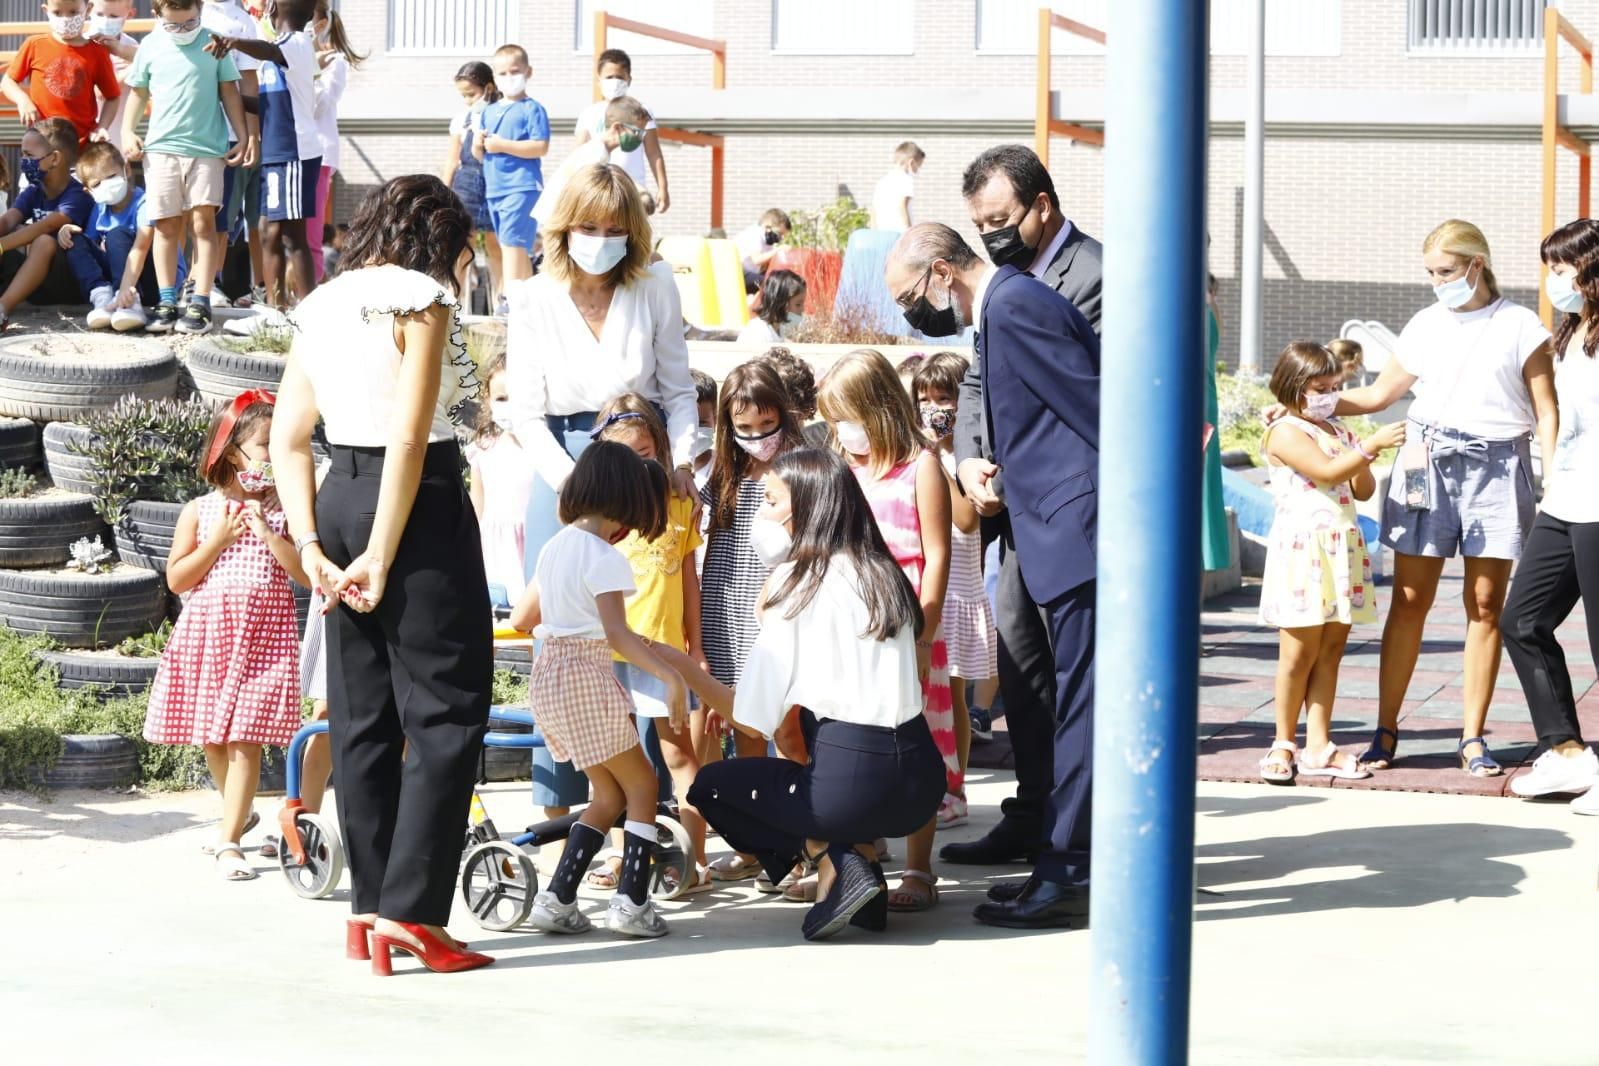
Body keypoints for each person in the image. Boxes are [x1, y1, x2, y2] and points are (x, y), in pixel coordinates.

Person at [270, 174, 494, 976]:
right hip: (417, 503)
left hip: (336, 497)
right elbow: (409, 436)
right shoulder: (422, 297)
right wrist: (385, 550)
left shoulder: (324, 300)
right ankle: (414, 915)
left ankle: (369, 909)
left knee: (360, 712)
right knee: (445, 710)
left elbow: (289, 437)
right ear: (441, 238)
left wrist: (310, 542)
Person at [887, 222, 1097, 930]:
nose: (911, 313)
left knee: (1083, 708)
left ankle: (1070, 872)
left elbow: (1095, 411)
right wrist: (983, 462)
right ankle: (1056, 859)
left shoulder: (1014, 305)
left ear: (942, 272)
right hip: (1048, 527)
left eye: (909, 297)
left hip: (1075, 529)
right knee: (1059, 701)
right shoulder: (1002, 310)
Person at [666, 449, 945, 939]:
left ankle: (835, 859)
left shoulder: (796, 583)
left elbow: (752, 722)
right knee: (814, 765)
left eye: (771, 501)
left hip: (851, 784)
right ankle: (858, 873)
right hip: (920, 782)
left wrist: (688, 670)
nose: (762, 513)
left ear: (806, 507)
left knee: (712, 786)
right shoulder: (884, 572)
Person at [504, 162, 698, 818]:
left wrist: (680, 462)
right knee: (562, 638)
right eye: (588, 226)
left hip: (641, 455)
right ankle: (559, 804)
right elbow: (522, 412)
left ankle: (643, 809)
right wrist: (576, 488)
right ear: (564, 228)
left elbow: (677, 387)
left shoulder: (655, 284)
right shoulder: (532, 296)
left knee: (638, 626)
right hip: (561, 459)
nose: (600, 238)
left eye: (614, 228)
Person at [1333, 219, 1557, 777]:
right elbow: (1381, 394)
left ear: (1476, 266)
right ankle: (1385, 731)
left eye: (1446, 272)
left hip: (1499, 465)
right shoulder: (1426, 323)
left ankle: (1473, 737)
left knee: (1485, 606)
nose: (1437, 283)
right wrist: (1308, 405)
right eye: (1431, 273)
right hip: (1427, 462)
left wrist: (1554, 481)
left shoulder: (1520, 324)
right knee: (1410, 600)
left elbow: (1546, 410)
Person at [942, 143, 1104, 873]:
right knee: (1021, 664)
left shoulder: (1096, 275)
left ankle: (1071, 841)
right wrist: (968, 454)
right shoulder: (1002, 282)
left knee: (1080, 682)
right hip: (1015, 510)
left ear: (1042, 205)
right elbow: (978, 382)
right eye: (980, 225)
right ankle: (1035, 811)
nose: (992, 237)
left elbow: (1091, 396)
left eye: (1002, 220)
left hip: (1072, 509)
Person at [509, 440, 687, 939]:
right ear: (628, 497)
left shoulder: (556, 544)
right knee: (643, 784)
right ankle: (631, 901)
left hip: (552, 675)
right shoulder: (604, 555)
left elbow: (527, 618)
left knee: (607, 792)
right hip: (587, 675)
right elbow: (619, 635)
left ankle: (558, 898)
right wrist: (671, 675)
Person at [142, 389, 308, 882]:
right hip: (210, 634)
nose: (274, 457)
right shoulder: (200, 510)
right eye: (265, 447)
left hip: (265, 637)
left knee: (244, 741)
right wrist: (217, 541)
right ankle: (239, 812)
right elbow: (177, 580)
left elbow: (302, 574)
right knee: (212, 740)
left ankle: (229, 840)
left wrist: (270, 534)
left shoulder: (286, 508)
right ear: (232, 450)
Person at [817, 349, 953, 911]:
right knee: (858, 744)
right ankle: (862, 857)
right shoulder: (841, 466)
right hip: (851, 630)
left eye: (845, 416)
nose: (839, 430)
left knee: (918, 745)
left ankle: (920, 867)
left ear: (876, 408)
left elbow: (937, 553)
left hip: (910, 629)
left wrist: (924, 635)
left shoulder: (921, 464)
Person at [1256, 343, 1403, 784]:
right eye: (1321, 388)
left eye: (1335, 388)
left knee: (1331, 650)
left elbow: (1359, 488)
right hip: (1304, 551)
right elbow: (1325, 473)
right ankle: (1283, 741)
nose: (1329, 396)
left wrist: (1360, 450)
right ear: (1295, 386)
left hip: (1341, 548)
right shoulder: (1284, 431)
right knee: (1298, 652)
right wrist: (1369, 446)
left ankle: (1318, 744)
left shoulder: (1337, 428)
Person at [588, 394, 712, 895]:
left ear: (660, 448)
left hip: (663, 653)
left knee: (680, 756)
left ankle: (696, 857)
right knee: (621, 763)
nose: (638, 461)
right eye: (626, 452)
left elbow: (688, 579)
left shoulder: (680, 501)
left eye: (646, 449)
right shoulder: (599, 510)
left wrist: (696, 647)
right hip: (610, 653)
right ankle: (622, 854)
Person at [1505, 219, 1599, 812]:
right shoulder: (1569, 333)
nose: (1552, 280)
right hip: (1565, 500)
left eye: (1561, 269)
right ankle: (1565, 753)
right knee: (1523, 619)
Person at [700, 360, 805, 880]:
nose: (759, 438)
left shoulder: (803, 466)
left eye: (768, 426)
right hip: (725, 606)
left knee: (788, 731)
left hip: (779, 607)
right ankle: (758, 845)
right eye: (746, 429)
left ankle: (805, 834)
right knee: (743, 724)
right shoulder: (722, 469)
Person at [123, 0, 251, 334]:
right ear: (157, 16)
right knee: (165, 225)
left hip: (208, 149)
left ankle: (200, 301)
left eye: (190, 23)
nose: (183, 31)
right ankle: (167, 300)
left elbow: (230, 91)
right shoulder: (150, 45)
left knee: (203, 223)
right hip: (161, 148)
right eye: (174, 25)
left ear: (200, 11)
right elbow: (138, 92)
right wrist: (126, 130)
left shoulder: (214, 42)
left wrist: (243, 135)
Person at [914, 351, 997, 825]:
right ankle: (930, 784)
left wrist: (941, 462)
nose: (933, 407)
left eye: (943, 397)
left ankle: (955, 787)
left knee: (957, 702)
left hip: (961, 593)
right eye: (924, 398)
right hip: (930, 596)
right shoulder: (920, 454)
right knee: (927, 703)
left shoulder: (965, 456)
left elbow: (967, 520)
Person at [205, 0, 321, 315]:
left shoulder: (295, 43)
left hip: (294, 154)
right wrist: (224, 93)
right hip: (276, 154)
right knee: (268, 231)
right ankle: (274, 308)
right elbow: (265, 105)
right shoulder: (277, 53)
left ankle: (309, 313)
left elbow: (266, 50)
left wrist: (233, 41)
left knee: (292, 238)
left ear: (271, 10)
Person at [65, 138, 188, 331]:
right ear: (88, 191)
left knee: (117, 234)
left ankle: (131, 303)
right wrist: (67, 231)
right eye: (97, 184)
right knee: (74, 239)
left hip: (154, 279)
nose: (106, 185)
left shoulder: (145, 203)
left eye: (111, 176)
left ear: (127, 170)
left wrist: (126, 288)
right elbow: (92, 246)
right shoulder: (100, 208)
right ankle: (102, 296)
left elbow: (141, 247)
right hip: (119, 282)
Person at [0, 119, 107, 329]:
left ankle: (3, 307)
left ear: (55, 158)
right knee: (15, 248)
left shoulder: (77, 195)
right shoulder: (34, 191)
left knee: (43, 241)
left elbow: (47, 226)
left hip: (73, 285)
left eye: (29, 155)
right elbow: (9, 219)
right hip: (39, 285)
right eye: (22, 154)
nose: (23, 161)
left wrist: (2, 246)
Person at [204, 0, 265, 309]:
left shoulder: (243, 20)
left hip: (228, 133)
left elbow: (249, 82)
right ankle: (180, 284)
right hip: (186, 130)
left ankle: (210, 281)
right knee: (182, 214)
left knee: (221, 218)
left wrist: (252, 134)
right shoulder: (185, 12)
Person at [1, 0, 121, 147]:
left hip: (81, 146)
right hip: (40, 145)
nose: (65, 19)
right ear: (46, 10)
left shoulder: (97, 52)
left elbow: (113, 96)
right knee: (34, 170)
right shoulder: (34, 45)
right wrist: (23, 100)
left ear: (88, 9)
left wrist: (102, 127)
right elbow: (8, 82)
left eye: (73, 12)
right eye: (57, 13)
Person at [476, 43, 548, 286]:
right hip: (495, 188)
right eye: (502, 73)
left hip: (521, 186)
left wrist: (502, 145)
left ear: (528, 72)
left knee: (512, 242)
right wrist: (478, 144)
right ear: (494, 78)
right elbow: (481, 154)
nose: (509, 78)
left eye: (515, 71)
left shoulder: (533, 109)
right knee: (510, 243)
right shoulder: (489, 111)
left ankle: (510, 296)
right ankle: (526, 298)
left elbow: (540, 146)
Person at [468, 352, 535, 610]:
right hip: (493, 553)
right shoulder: (483, 449)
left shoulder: (545, 451)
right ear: (488, 400)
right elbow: (477, 505)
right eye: (501, 398)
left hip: (532, 548)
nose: (509, 406)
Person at [531, 94, 649, 232]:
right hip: (558, 219)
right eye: (637, 132)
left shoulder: (598, 150)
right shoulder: (595, 155)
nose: (640, 138)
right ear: (617, 127)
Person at [573, 48, 669, 214]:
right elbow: (578, 154)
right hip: (600, 188)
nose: (615, 82)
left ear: (629, 79)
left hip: (633, 187)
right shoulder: (589, 113)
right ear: (599, 80)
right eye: (609, 77)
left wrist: (663, 187)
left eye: (620, 77)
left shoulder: (640, 111)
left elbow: (654, 152)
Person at [306, 0, 361, 284]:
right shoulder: (288, 54)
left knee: (312, 232)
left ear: (321, 24)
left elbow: (319, 105)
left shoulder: (335, 62)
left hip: (319, 154)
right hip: (290, 151)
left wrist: (312, 69)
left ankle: (311, 290)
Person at [441, 61, 501, 309]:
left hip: (495, 181)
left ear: (488, 87)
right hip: (465, 186)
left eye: (471, 94)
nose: (467, 100)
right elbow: (452, 158)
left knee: (494, 244)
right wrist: (444, 191)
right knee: (461, 246)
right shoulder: (461, 120)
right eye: (463, 95)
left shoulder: (501, 114)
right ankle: (453, 305)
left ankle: (502, 305)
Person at [87, 0, 140, 151]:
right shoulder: (81, 44)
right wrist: (132, 69)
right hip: (87, 135)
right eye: (99, 14)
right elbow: (100, 92)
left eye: (113, 16)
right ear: (89, 10)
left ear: (129, 14)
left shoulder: (131, 46)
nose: (105, 20)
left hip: (117, 140)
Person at [738, 269, 805, 347]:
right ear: (782, 304)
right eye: (798, 304)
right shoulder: (759, 334)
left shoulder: (778, 327)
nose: (803, 309)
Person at [870, 141, 922, 233]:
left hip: (881, 233)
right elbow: (902, 206)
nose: (917, 169)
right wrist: (909, 232)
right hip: (899, 234)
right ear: (911, 162)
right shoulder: (906, 179)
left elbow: (874, 208)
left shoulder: (883, 180)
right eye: (918, 165)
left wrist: (873, 232)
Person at [735, 208, 790, 291]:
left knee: (780, 280)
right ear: (767, 226)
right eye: (780, 233)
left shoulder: (767, 239)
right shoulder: (754, 233)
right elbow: (757, 260)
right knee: (772, 284)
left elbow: (765, 264)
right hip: (738, 272)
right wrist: (778, 250)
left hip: (750, 273)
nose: (781, 238)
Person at [691, 367, 717, 490]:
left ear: (715, 420)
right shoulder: (662, 471)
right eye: (687, 425)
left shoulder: (723, 469)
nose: (692, 432)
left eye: (701, 423)